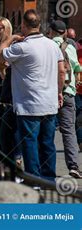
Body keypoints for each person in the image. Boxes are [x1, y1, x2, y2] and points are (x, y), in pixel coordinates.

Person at [0, 9, 64, 181]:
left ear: (24, 25)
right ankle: (49, 178)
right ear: (39, 25)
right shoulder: (53, 45)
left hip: (29, 104)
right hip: (49, 102)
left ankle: (34, 179)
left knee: (30, 142)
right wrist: (59, 92)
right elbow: (62, 71)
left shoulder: (22, 47)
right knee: (47, 143)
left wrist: (11, 38)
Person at [49, 20, 82, 178]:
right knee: (69, 131)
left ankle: (46, 167)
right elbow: (76, 68)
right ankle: (73, 165)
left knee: (46, 131)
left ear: (51, 31)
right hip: (68, 92)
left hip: (48, 94)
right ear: (64, 33)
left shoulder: (47, 46)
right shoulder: (71, 47)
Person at [0, 17, 22, 165]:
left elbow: (9, 74)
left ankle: (15, 160)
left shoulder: (13, 45)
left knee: (8, 131)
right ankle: (5, 160)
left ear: (7, 28)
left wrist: (2, 69)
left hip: (10, 93)